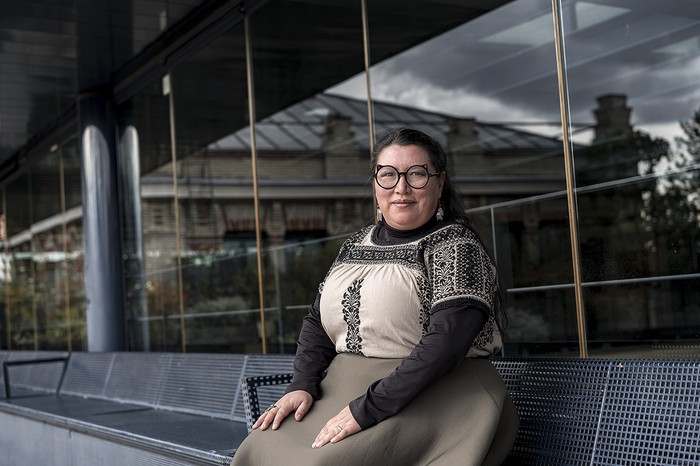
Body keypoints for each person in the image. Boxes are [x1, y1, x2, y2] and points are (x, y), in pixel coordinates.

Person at [231, 127, 519, 466]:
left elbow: (446, 345)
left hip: (435, 396)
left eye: (417, 174)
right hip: (344, 391)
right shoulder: (357, 243)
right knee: (259, 448)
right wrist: (302, 385)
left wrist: (366, 410)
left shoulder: (456, 246)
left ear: (439, 184)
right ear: (375, 185)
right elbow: (317, 321)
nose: (401, 188)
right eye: (388, 175)